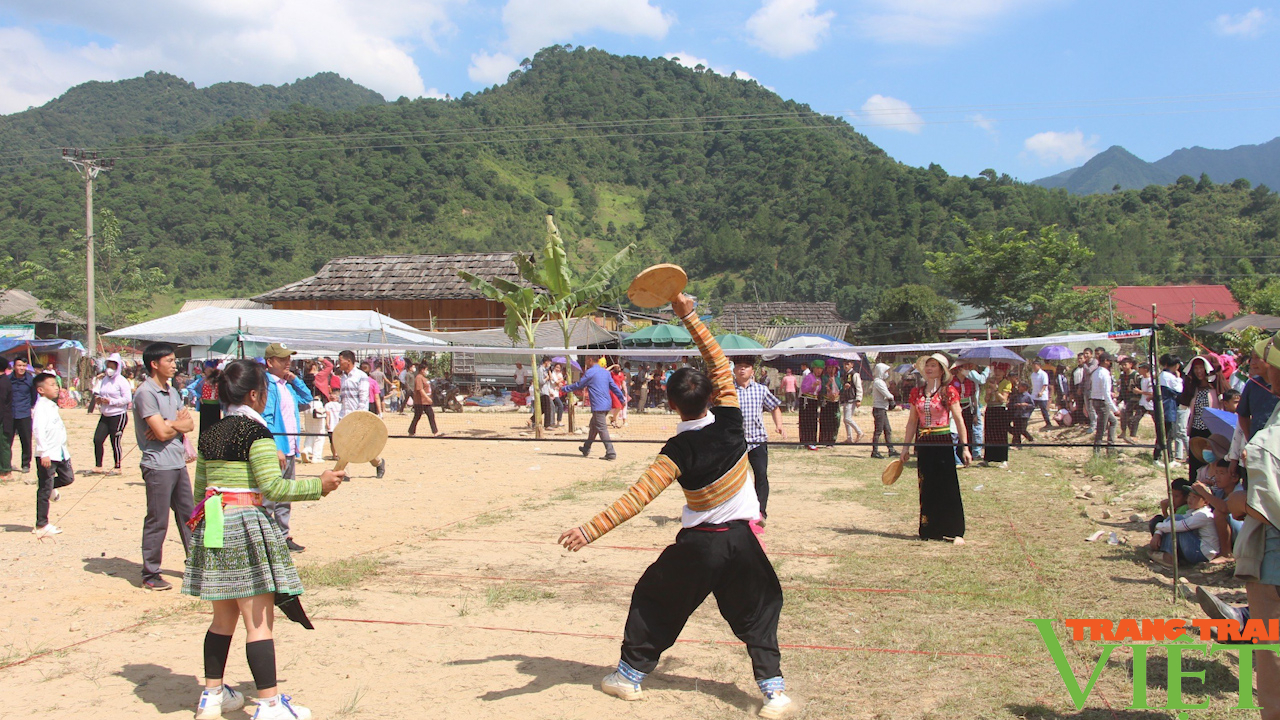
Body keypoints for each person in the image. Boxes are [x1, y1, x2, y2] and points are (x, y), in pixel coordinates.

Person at [557, 293, 792, 719]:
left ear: (670, 404)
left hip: (699, 546)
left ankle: (628, 678)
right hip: (742, 540)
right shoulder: (732, 420)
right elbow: (719, 362)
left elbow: (636, 498)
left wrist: (588, 530)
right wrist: (688, 314)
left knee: (655, 600)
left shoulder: (676, 451)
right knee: (758, 610)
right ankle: (774, 692)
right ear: (714, 395)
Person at [182, 359, 345, 720]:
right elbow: (273, 487)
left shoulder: (210, 434)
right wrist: (319, 485)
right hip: (244, 525)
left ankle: (211, 695)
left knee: (221, 619)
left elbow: (199, 491)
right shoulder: (256, 434)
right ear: (255, 395)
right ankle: (270, 704)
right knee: (258, 623)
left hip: (212, 524)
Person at [134, 342, 196, 592]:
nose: (174, 365)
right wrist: (172, 425)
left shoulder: (171, 391)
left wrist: (169, 423)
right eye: (169, 361)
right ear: (154, 364)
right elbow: (159, 433)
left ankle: (196, 564)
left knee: (189, 516)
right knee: (157, 519)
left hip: (177, 461)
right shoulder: (145, 393)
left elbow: (189, 424)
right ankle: (150, 573)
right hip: (157, 465)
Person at [900, 353, 971, 542]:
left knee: (948, 485)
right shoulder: (917, 392)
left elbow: (959, 420)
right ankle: (931, 529)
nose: (930, 369)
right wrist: (905, 447)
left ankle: (955, 531)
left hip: (943, 441)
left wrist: (964, 448)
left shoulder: (949, 391)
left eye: (934, 366)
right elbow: (912, 422)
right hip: (924, 442)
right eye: (927, 366)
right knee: (927, 485)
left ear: (942, 370)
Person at [260, 344, 312, 554]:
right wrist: (274, 446)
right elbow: (266, 419)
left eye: (288, 358)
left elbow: (307, 399)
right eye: (282, 360)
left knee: (285, 497)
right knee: (270, 498)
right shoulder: (267, 385)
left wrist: (294, 379)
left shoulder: (286, 385)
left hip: (290, 449)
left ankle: (283, 537)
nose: (287, 362)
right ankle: (265, 539)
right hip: (277, 449)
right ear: (270, 362)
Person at [734, 356, 785, 523]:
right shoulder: (728, 391)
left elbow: (774, 407)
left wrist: (779, 425)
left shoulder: (761, 390)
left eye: (746, 367)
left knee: (761, 475)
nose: (742, 370)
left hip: (757, 440)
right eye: (739, 366)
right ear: (734, 370)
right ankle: (737, 511)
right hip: (735, 442)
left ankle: (760, 512)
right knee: (735, 478)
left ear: (752, 371)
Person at [32, 372, 74, 539]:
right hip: (48, 454)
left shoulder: (51, 405)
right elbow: (38, 431)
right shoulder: (41, 407)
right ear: (41, 390)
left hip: (60, 452)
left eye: (56, 384)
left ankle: (50, 488)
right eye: (51, 385)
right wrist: (44, 452)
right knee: (44, 488)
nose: (56, 387)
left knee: (68, 478)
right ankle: (41, 524)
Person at [565, 356, 626, 461]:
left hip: (598, 405)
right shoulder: (605, 373)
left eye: (586, 360)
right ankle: (586, 447)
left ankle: (611, 452)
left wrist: (565, 388)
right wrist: (622, 398)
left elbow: (579, 385)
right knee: (593, 426)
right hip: (607, 404)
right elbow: (614, 387)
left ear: (589, 360)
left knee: (602, 429)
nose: (586, 363)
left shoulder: (590, 372)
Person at [337, 351, 386, 478]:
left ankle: (378, 462)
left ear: (348, 361)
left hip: (357, 416)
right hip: (345, 416)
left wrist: (359, 417)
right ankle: (344, 472)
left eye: (340, 360)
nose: (339, 363)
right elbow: (343, 397)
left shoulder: (361, 376)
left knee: (362, 444)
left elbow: (363, 398)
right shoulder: (343, 377)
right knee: (344, 444)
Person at [1148, 487, 1218, 567]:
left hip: (1202, 554)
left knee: (1176, 523)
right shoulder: (1193, 511)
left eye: (1194, 497)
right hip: (1197, 548)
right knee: (1175, 517)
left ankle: (1169, 557)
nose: (1190, 500)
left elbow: (1178, 526)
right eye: (1189, 496)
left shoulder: (1203, 515)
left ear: (1205, 502)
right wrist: (1158, 533)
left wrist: (1158, 527)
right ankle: (1169, 554)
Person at [1180, 355, 1221, 480]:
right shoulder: (1194, 388)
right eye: (1196, 368)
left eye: (1201, 368)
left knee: (1211, 459)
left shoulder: (1215, 389)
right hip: (1196, 429)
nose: (1199, 371)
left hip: (1211, 430)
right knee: (1196, 459)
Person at [91, 353, 132, 475]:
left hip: (118, 415)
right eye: (108, 365)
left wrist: (112, 401)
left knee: (115, 441)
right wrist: (99, 399)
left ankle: (117, 466)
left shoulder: (122, 381)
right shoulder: (104, 380)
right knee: (97, 439)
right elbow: (100, 392)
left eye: (112, 366)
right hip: (105, 414)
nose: (110, 369)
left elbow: (127, 399)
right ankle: (98, 466)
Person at [1239, 350, 1278, 443]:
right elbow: (1243, 415)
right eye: (1251, 358)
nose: (1252, 363)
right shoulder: (1252, 384)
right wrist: (1250, 439)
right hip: (1258, 445)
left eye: (1257, 357)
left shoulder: (1277, 384)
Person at [983, 362, 1013, 467]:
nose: (997, 372)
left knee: (1001, 434)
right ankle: (987, 458)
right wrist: (988, 393)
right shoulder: (989, 381)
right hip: (990, 408)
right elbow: (986, 400)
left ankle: (1003, 459)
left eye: (1000, 370)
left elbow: (1003, 399)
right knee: (989, 433)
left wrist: (995, 390)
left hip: (1000, 410)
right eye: (996, 370)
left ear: (1004, 372)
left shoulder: (1007, 383)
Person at [9, 357, 35, 474]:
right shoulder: (7, 379)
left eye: (24, 366)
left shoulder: (30, 380)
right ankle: (6, 464)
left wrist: (28, 407)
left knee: (26, 440)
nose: (21, 368)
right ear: (14, 366)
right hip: (9, 415)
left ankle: (25, 465)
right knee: (6, 441)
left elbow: (34, 397)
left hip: (24, 414)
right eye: (19, 365)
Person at [1091, 353, 1119, 456]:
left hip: (1095, 400)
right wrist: (1115, 409)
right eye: (1110, 361)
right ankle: (1097, 452)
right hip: (1102, 403)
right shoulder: (1105, 373)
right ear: (1106, 361)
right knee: (1101, 428)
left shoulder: (1095, 372)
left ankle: (1110, 448)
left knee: (1113, 422)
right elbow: (1106, 393)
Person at [797, 360, 827, 449]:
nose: (819, 370)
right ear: (813, 368)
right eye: (817, 368)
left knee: (813, 421)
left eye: (821, 369)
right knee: (807, 421)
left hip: (814, 400)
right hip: (806, 400)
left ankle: (812, 441)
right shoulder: (809, 377)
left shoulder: (820, 379)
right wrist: (812, 385)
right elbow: (804, 388)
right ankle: (806, 441)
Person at [869, 363, 896, 459]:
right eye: (885, 371)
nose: (887, 373)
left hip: (882, 409)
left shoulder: (880, 382)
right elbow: (887, 394)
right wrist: (892, 399)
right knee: (878, 431)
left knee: (887, 429)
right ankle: (875, 451)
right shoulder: (878, 382)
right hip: (879, 409)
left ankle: (891, 450)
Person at [408, 361, 440, 436]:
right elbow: (420, 390)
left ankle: (435, 432)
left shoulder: (423, 378)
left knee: (430, 415)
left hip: (425, 402)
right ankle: (411, 432)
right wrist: (427, 398)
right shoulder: (419, 378)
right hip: (421, 402)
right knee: (417, 416)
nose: (427, 371)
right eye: (426, 369)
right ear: (422, 370)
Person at [839, 359, 864, 445]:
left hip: (852, 399)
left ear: (852, 365)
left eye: (848, 364)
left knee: (847, 418)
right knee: (845, 420)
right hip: (846, 398)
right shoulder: (845, 374)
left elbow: (858, 387)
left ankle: (859, 432)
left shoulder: (855, 374)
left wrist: (858, 399)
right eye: (844, 364)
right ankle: (849, 438)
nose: (846, 366)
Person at [1010, 380, 1035, 447]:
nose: (1018, 388)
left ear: (1024, 387)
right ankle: (1016, 444)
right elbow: (1012, 403)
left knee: (1022, 429)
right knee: (1016, 430)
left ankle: (1031, 439)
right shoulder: (1017, 395)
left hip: (1024, 415)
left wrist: (1025, 405)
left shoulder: (1028, 396)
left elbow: (1032, 406)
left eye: (1020, 386)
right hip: (1017, 415)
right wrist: (1016, 405)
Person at [1030, 360, 1052, 429]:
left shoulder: (1043, 374)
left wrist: (1041, 392)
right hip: (1034, 395)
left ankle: (1048, 423)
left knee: (1043, 410)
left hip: (1042, 396)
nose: (1034, 367)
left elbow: (1045, 384)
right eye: (1033, 365)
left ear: (1039, 366)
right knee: (1030, 408)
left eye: (1035, 365)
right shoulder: (1033, 374)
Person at [0, 359, 11, 482]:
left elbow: (1, 404)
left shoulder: (3, 383)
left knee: (3, 445)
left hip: (3, 419)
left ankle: (5, 470)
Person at [609, 364, 629, 429]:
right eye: (616, 367)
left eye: (619, 367)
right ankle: (614, 420)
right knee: (618, 406)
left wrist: (625, 391)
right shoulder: (611, 373)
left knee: (620, 406)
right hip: (612, 391)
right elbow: (605, 371)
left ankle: (613, 419)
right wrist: (612, 365)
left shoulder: (621, 374)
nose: (618, 369)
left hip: (618, 391)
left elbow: (622, 383)